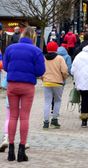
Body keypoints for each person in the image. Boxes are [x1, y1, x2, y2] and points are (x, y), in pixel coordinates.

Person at [3, 26, 45, 162]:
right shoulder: (37, 51)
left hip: (12, 85)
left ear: (21, 35)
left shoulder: (10, 48)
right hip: (27, 86)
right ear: (33, 37)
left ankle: (10, 150)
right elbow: (40, 71)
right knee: (24, 117)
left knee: (13, 116)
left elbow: (5, 66)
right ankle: (21, 150)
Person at [42, 41, 68, 129]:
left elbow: (41, 70)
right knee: (57, 101)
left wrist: (43, 78)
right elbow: (64, 71)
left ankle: (45, 122)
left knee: (47, 102)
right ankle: (54, 120)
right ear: (56, 48)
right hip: (58, 82)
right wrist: (64, 78)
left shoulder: (43, 58)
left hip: (46, 82)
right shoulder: (60, 58)